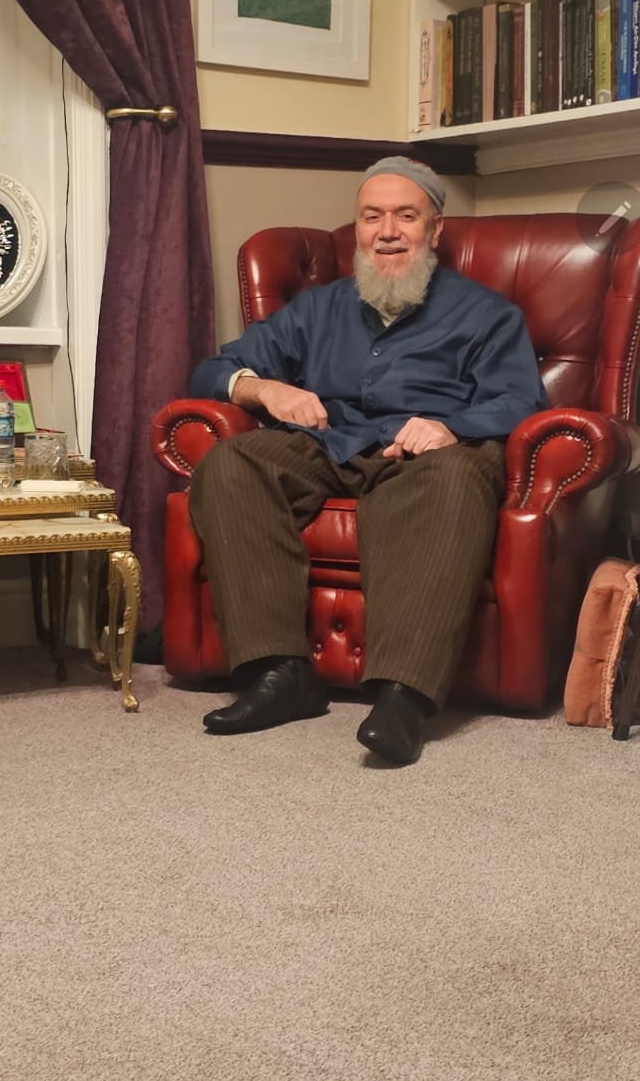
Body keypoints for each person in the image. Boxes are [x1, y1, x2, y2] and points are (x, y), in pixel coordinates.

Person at [188, 156, 549, 764]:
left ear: (435, 229)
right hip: (332, 442)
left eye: (405, 216)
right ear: (356, 228)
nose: (387, 232)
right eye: (372, 217)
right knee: (232, 463)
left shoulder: (487, 314)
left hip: (429, 455)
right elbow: (213, 369)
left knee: (454, 477)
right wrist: (265, 389)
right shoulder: (318, 308)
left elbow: (521, 401)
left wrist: (450, 426)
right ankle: (280, 673)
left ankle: (403, 697)